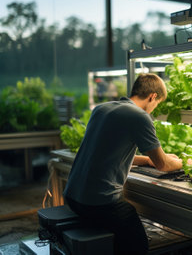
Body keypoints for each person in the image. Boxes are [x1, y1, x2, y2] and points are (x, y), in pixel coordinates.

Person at [63, 73, 184, 255]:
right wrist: (185, 162)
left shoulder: (101, 109)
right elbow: (164, 165)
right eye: (157, 103)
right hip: (99, 202)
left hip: (72, 196)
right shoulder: (139, 116)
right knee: (138, 244)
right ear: (152, 97)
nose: (154, 108)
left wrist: (148, 160)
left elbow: (107, 152)